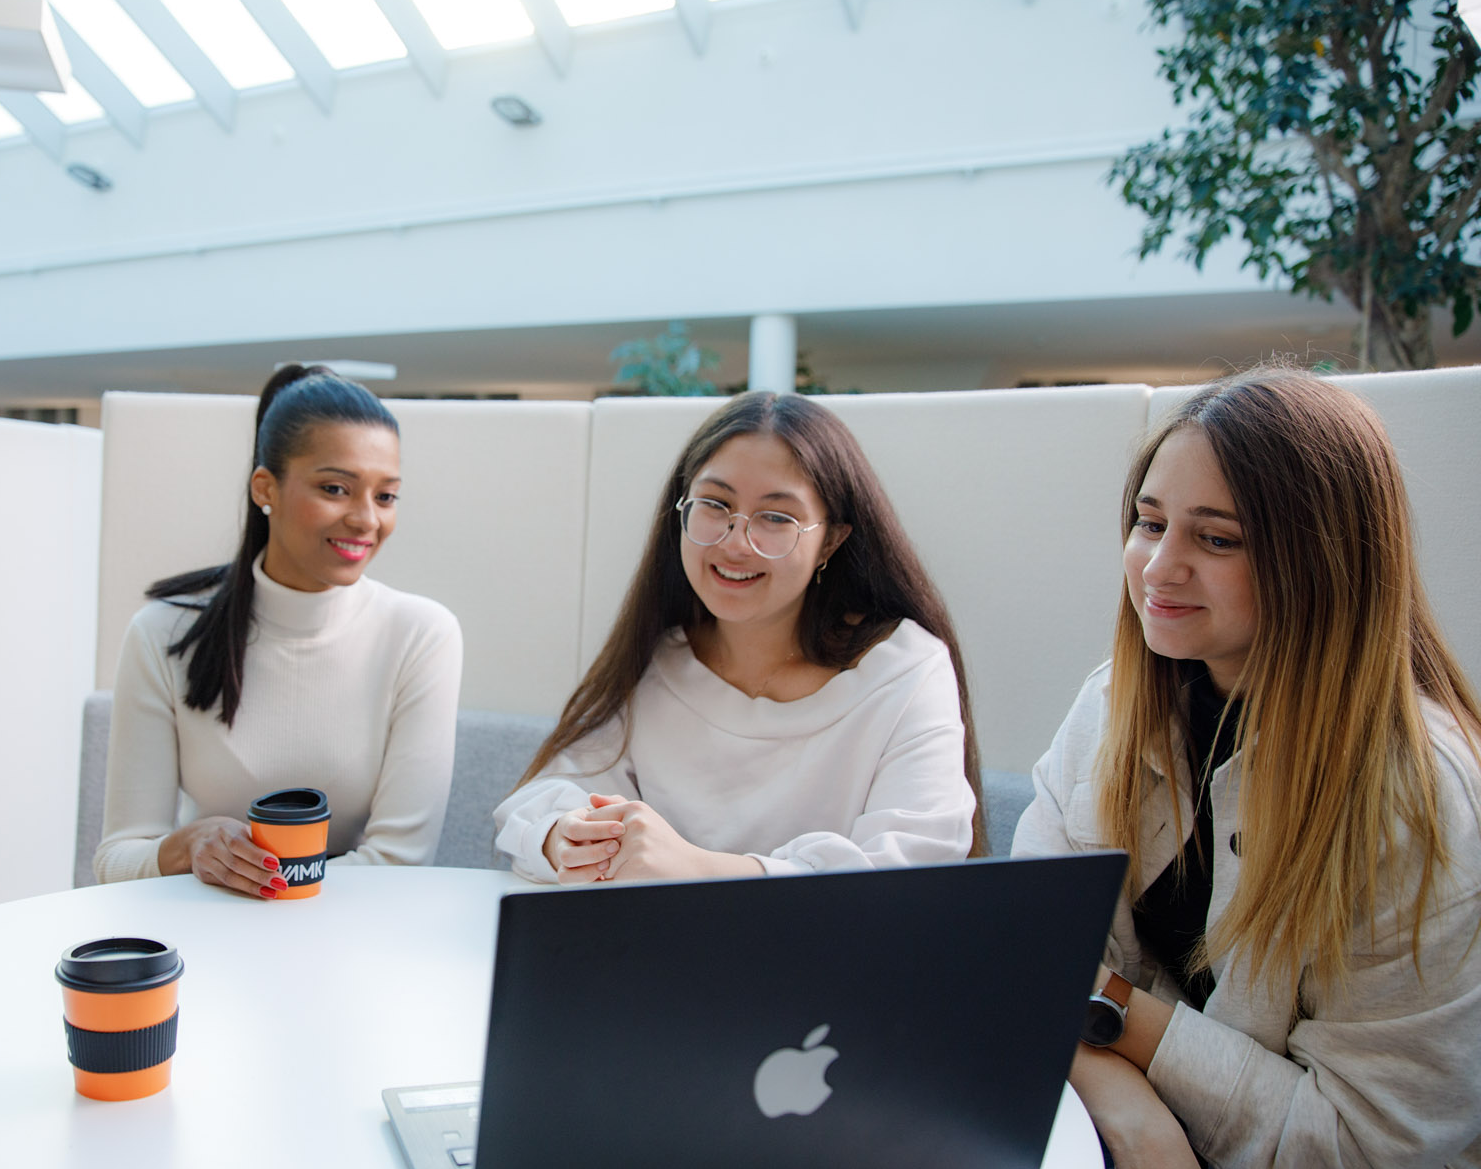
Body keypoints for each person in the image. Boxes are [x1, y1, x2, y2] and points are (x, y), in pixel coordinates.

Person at [1012, 371, 1481, 1169]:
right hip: (1122, 1150)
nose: (1158, 567)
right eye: (1150, 523)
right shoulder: (1112, 703)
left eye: (1215, 539)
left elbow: (1362, 1148)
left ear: (1325, 560)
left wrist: (1113, 1012)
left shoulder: (1416, 791)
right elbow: (1023, 959)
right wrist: (1146, 1133)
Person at [494, 391, 981, 883]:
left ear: (831, 540)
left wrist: (701, 868)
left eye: (776, 517)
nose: (734, 542)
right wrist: (567, 837)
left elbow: (915, 867)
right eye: (715, 504)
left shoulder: (905, 671)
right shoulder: (658, 658)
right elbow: (540, 803)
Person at [95, 364, 462, 896]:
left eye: (385, 496)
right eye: (336, 488)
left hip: (360, 931)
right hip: (207, 930)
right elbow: (116, 859)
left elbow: (400, 863)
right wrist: (192, 843)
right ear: (266, 488)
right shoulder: (164, 633)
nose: (366, 520)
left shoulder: (422, 635)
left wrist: (266, 887)